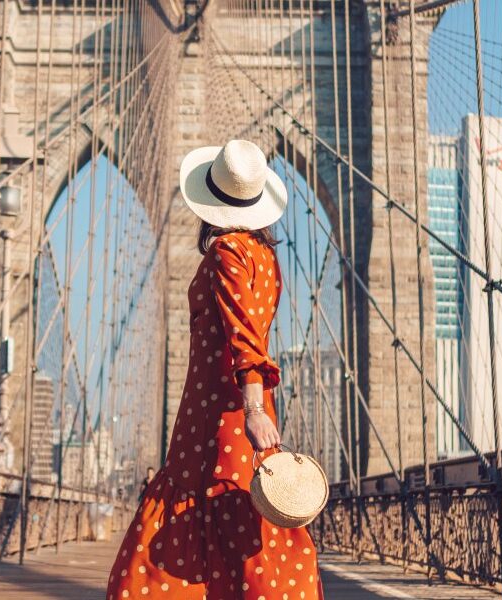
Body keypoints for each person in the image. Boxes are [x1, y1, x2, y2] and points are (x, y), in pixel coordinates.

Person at [105, 140, 322, 599]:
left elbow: (244, 333)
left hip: (217, 418)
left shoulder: (226, 252)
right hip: (241, 409)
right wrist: (258, 403)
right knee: (242, 523)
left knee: (165, 551)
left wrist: (252, 407)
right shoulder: (266, 257)